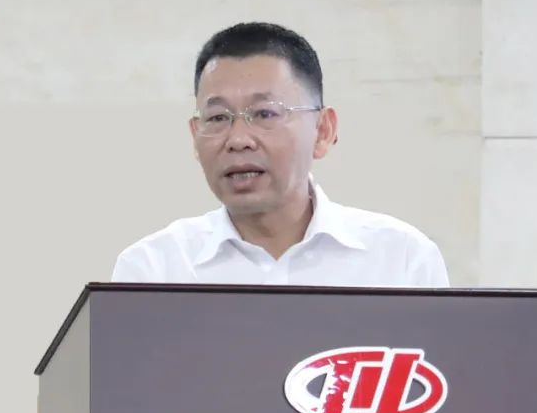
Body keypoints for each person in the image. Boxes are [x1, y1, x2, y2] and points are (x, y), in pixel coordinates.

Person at [111, 22, 450, 287]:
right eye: (217, 118)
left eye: (265, 113)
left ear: (323, 131)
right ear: (194, 136)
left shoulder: (400, 261)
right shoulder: (153, 270)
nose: (238, 139)